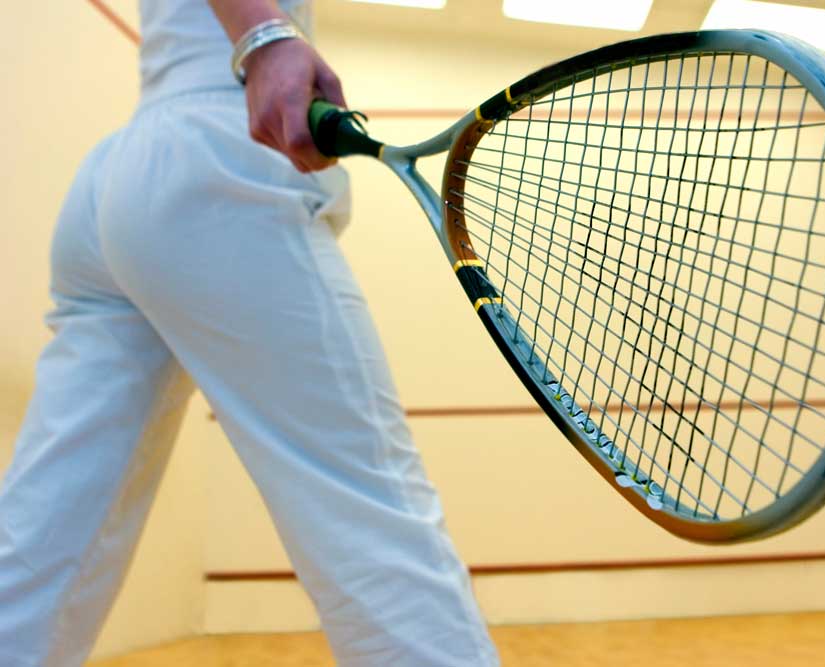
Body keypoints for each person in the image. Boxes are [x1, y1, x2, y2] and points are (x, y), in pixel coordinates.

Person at [0, 1, 499, 665]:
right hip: (215, 158)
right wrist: (263, 37)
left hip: (119, 183)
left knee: (46, 525)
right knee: (372, 512)